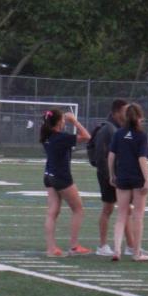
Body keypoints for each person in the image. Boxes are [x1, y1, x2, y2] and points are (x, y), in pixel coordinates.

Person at [39, 108, 91, 257]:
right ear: (57, 122)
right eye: (62, 120)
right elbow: (87, 136)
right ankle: (74, 246)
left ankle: (51, 248)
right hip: (61, 177)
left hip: (48, 175)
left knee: (52, 212)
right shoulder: (61, 137)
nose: (64, 122)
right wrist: (74, 121)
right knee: (78, 209)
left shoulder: (47, 136)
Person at [90, 100, 137, 257]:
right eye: (125, 111)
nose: (128, 114)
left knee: (126, 209)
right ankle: (103, 246)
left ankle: (131, 246)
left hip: (119, 176)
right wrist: (110, 177)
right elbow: (100, 156)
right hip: (109, 176)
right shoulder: (108, 129)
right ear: (116, 112)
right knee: (108, 209)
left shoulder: (120, 128)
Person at [108, 103, 148, 262]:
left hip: (123, 177)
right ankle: (136, 253)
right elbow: (142, 158)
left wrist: (112, 174)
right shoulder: (141, 136)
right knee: (138, 217)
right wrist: (147, 179)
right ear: (139, 117)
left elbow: (111, 155)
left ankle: (117, 250)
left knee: (121, 216)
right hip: (137, 179)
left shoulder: (118, 133)